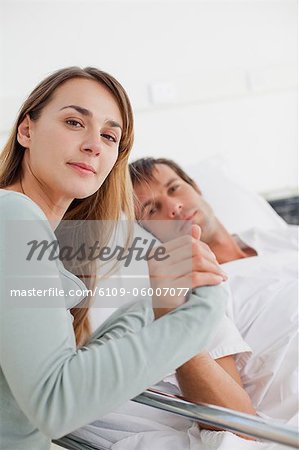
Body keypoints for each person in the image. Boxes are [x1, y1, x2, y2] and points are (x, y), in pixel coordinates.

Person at [0, 68, 229, 450]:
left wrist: (158, 303)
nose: (94, 145)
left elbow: (60, 376)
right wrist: (207, 302)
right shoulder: (14, 216)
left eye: (109, 136)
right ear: (27, 130)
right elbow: (56, 402)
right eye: (75, 122)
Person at [129, 157, 298, 423]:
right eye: (152, 209)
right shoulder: (192, 295)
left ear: (195, 186)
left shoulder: (277, 237)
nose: (174, 206)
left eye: (174, 188)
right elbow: (229, 416)